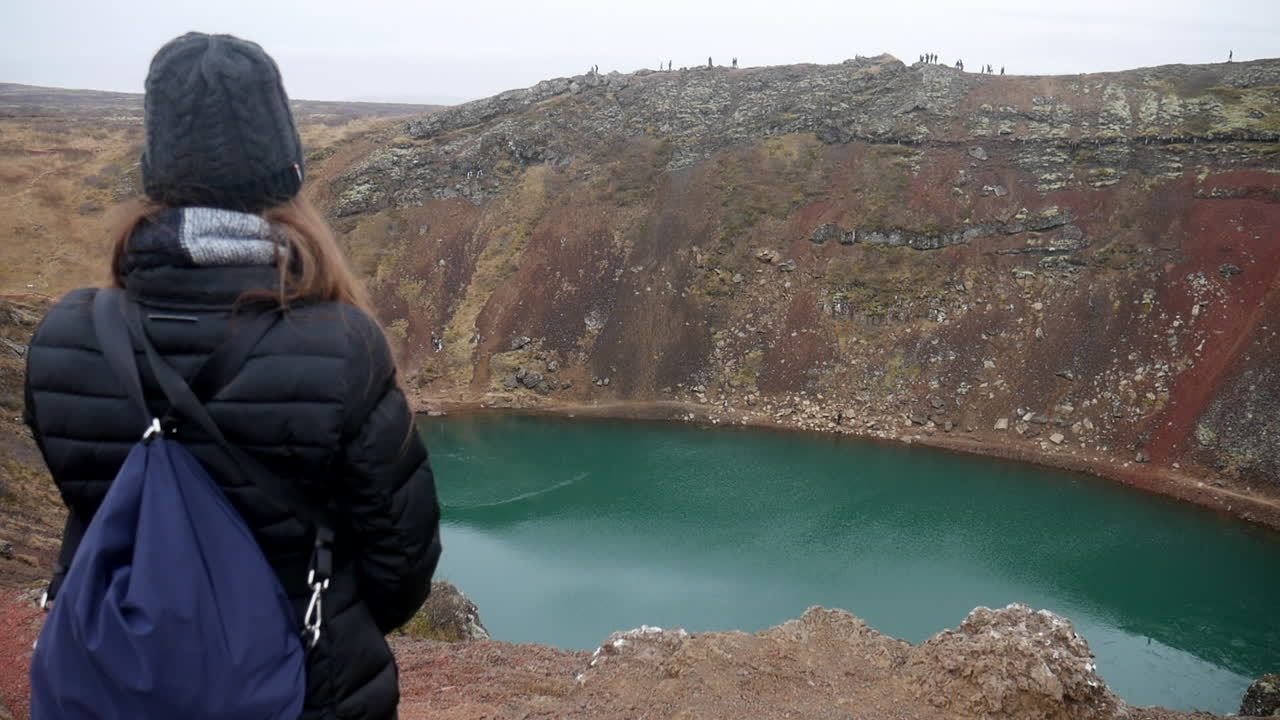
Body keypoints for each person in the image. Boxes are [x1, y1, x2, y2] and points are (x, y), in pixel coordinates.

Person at [22, 32, 441, 720]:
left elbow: (95, 504)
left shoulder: (67, 337)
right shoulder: (343, 346)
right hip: (305, 688)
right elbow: (400, 568)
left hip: (113, 681)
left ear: (154, 171)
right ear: (287, 170)